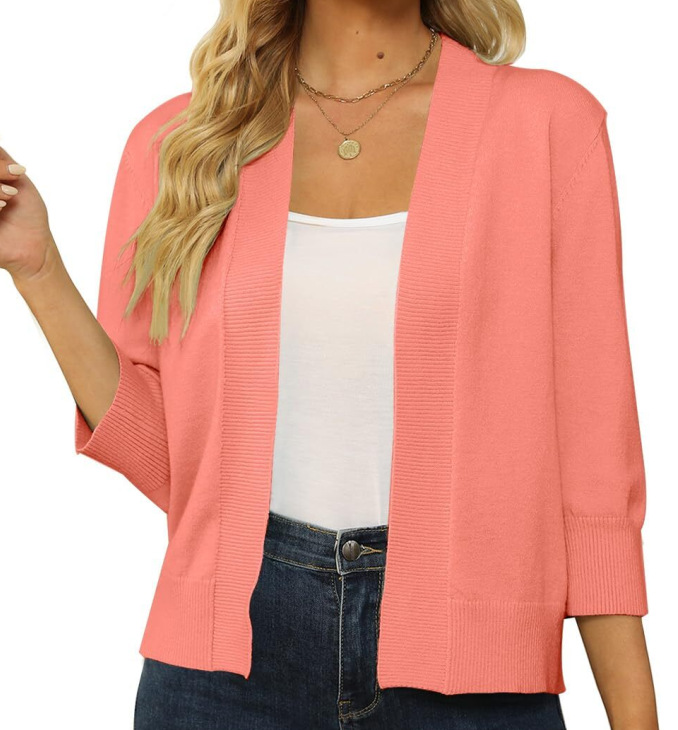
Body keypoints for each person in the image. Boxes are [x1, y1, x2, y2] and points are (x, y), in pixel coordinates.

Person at [0, 1, 659, 728]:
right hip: (225, 676)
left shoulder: (548, 125)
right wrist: (37, 266)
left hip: (473, 670)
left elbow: (595, 473)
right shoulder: (181, 145)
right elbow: (169, 459)